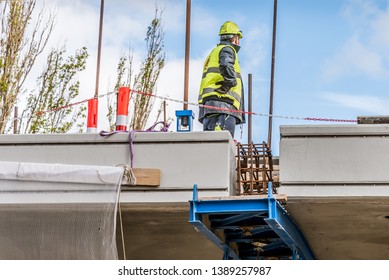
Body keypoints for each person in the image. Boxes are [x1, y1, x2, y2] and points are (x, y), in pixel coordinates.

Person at [198, 21, 245, 138]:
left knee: (210, 145)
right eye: (237, 37)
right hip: (223, 106)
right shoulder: (227, 49)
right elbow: (225, 64)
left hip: (211, 106)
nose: (238, 41)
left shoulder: (214, 52)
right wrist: (231, 82)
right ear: (234, 38)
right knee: (222, 144)